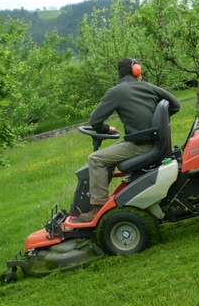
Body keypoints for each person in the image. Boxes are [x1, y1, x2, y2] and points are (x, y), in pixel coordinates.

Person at [77, 57, 181, 223]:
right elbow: (176, 105)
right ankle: (103, 199)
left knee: (95, 159)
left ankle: (98, 209)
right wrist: (158, 121)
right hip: (153, 142)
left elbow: (95, 121)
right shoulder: (148, 87)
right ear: (136, 70)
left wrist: (106, 129)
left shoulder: (116, 92)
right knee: (107, 160)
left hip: (141, 144)